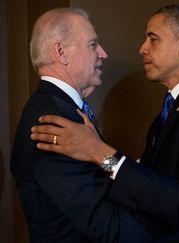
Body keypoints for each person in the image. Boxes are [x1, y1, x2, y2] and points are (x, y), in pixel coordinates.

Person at [30, 4, 179, 243]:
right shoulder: (167, 112)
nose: (142, 49)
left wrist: (99, 152)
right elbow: (154, 191)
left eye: (153, 39)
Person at [9, 8, 153, 242]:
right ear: (61, 52)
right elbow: (103, 223)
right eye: (93, 44)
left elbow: (102, 179)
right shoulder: (57, 119)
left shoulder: (61, 109)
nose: (103, 53)